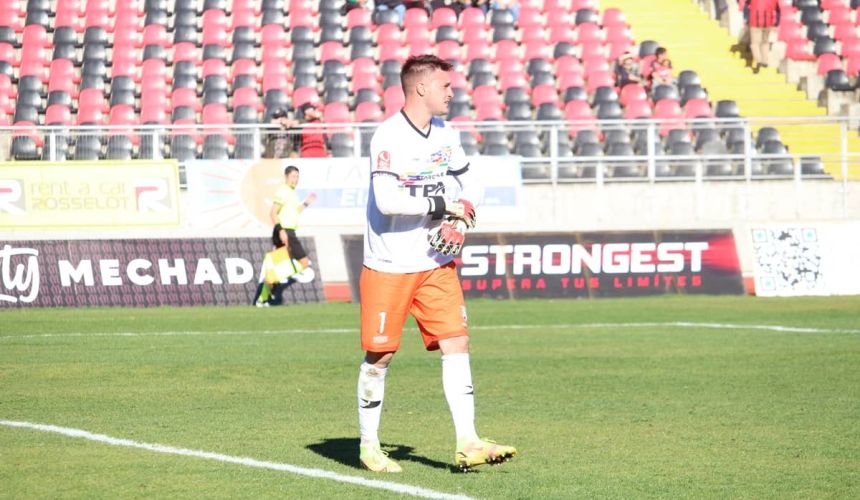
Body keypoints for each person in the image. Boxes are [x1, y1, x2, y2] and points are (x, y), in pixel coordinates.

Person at [356, 54, 517, 473]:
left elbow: (472, 181)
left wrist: (462, 215)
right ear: (421, 88)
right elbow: (388, 201)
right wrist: (444, 202)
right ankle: (369, 444)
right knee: (380, 356)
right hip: (389, 264)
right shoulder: (389, 137)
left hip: (434, 262)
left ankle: (468, 441)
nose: (452, 92)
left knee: (456, 342)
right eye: (446, 86)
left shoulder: (445, 133)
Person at [255, 165, 317, 306]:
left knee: (277, 267)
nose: (296, 180)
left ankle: (262, 299)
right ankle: (269, 286)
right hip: (285, 232)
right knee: (304, 262)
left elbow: (294, 212)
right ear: (286, 177)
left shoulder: (292, 193)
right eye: (293, 177)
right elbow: (273, 213)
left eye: (297, 177)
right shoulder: (283, 191)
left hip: (288, 231)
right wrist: (281, 231)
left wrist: (306, 203)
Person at [742, 0, 779, 73]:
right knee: (765, 42)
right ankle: (764, 62)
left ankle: (758, 61)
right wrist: (776, 23)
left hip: (755, 19)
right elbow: (777, 9)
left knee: (755, 43)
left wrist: (746, 18)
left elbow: (747, 4)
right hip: (768, 20)